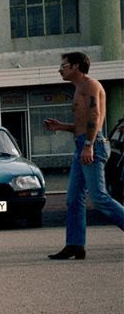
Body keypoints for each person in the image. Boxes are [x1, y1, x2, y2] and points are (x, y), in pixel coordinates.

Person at [43, 51, 124, 260]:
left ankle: (75, 244)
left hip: (92, 146)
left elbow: (95, 117)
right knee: (73, 198)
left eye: (64, 65)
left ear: (76, 66)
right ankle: (75, 245)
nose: (60, 69)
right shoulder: (78, 87)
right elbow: (82, 125)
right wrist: (62, 127)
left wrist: (88, 145)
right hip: (82, 145)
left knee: (99, 197)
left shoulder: (90, 85)